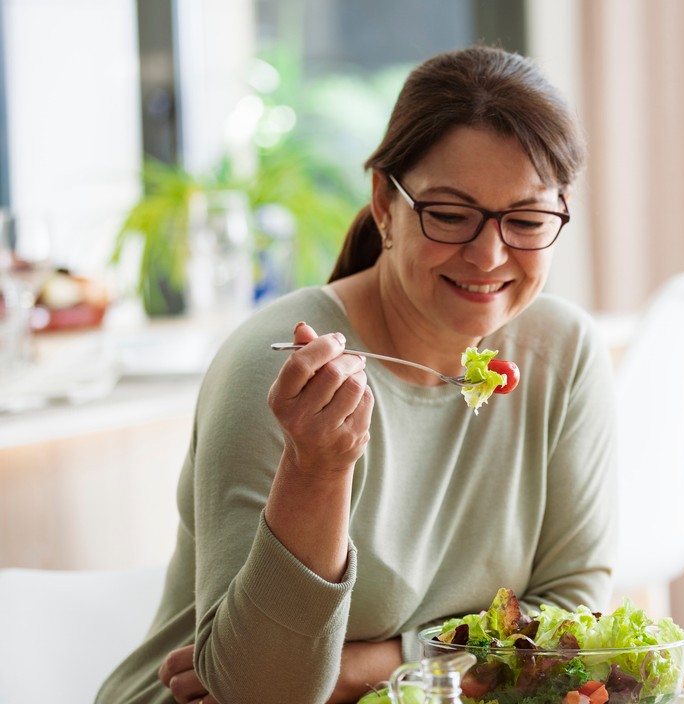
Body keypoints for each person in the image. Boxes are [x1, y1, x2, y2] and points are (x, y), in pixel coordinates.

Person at [98, 46, 617, 703]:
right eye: (450, 215)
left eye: (525, 219)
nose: (489, 255)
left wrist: (365, 667)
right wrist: (318, 466)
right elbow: (262, 692)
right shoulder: (287, 366)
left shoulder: (561, 351)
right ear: (384, 203)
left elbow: (571, 615)